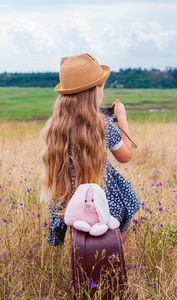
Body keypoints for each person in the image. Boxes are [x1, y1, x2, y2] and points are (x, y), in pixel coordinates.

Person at [40, 53, 140, 246]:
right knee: (126, 200)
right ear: (93, 91)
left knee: (80, 241)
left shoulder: (54, 126)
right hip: (105, 199)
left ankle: (79, 262)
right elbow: (125, 156)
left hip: (68, 201)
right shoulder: (104, 125)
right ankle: (111, 258)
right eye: (101, 86)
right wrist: (123, 120)